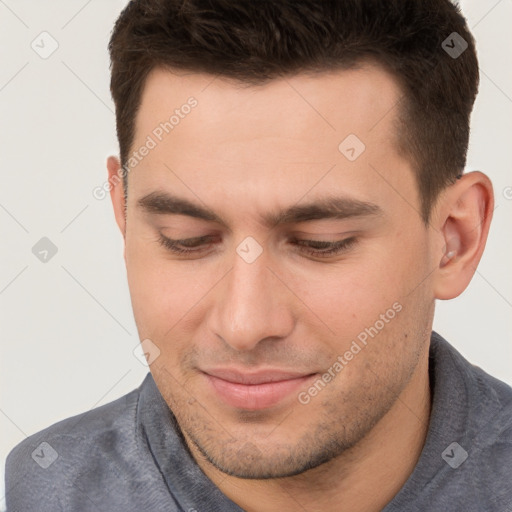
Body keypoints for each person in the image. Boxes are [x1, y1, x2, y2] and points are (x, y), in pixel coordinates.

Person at [5, 1, 512, 510]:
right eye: (185, 238)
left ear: (453, 239)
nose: (244, 325)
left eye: (321, 243)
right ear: (124, 216)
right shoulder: (43, 492)